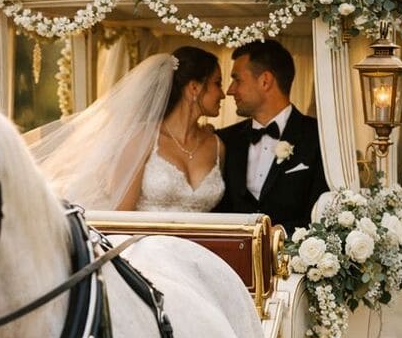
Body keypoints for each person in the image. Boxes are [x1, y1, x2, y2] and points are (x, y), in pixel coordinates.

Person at [31, 47, 226, 212]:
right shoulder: (141, 138)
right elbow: (123, 214)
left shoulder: (216, 146)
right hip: (147, 249)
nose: (223, 94)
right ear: (194, 88)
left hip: (204, 254)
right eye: (217, 83)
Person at [215, 39, 327, 235]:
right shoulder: (224, 140)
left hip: (295, 260)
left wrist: (280, 234)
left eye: (237, 79)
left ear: (265, 81)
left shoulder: (319, 138)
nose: (230, 90)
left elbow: (323, 212)